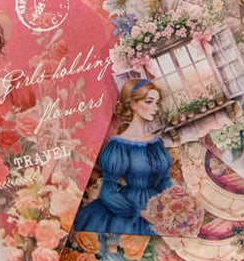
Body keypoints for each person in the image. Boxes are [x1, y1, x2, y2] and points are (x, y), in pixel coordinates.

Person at [70, 80, 172, 239]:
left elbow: (164, 181)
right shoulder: (118, 145)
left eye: (157, 103)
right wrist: (141, 213)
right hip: (131, 211)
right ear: (133, 104)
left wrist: (175, 203)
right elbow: (107, 192)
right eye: (149, 102)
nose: (155, 108)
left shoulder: (156, 142)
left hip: (159, 207)